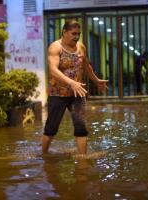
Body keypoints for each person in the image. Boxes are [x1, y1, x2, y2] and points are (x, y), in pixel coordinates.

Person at [42, 19, 108, 155]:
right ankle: (43, 155)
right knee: (51, 128)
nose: (76, 37)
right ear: (64, 32)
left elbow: (86, 65)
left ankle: (83, 158)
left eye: (78, 34)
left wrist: (96, 80)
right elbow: (53, 70)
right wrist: (71, 82)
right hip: (58, 94)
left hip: (77, 94)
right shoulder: (55, 47)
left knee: (81, 127)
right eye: (73, 33)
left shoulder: (81, 47)